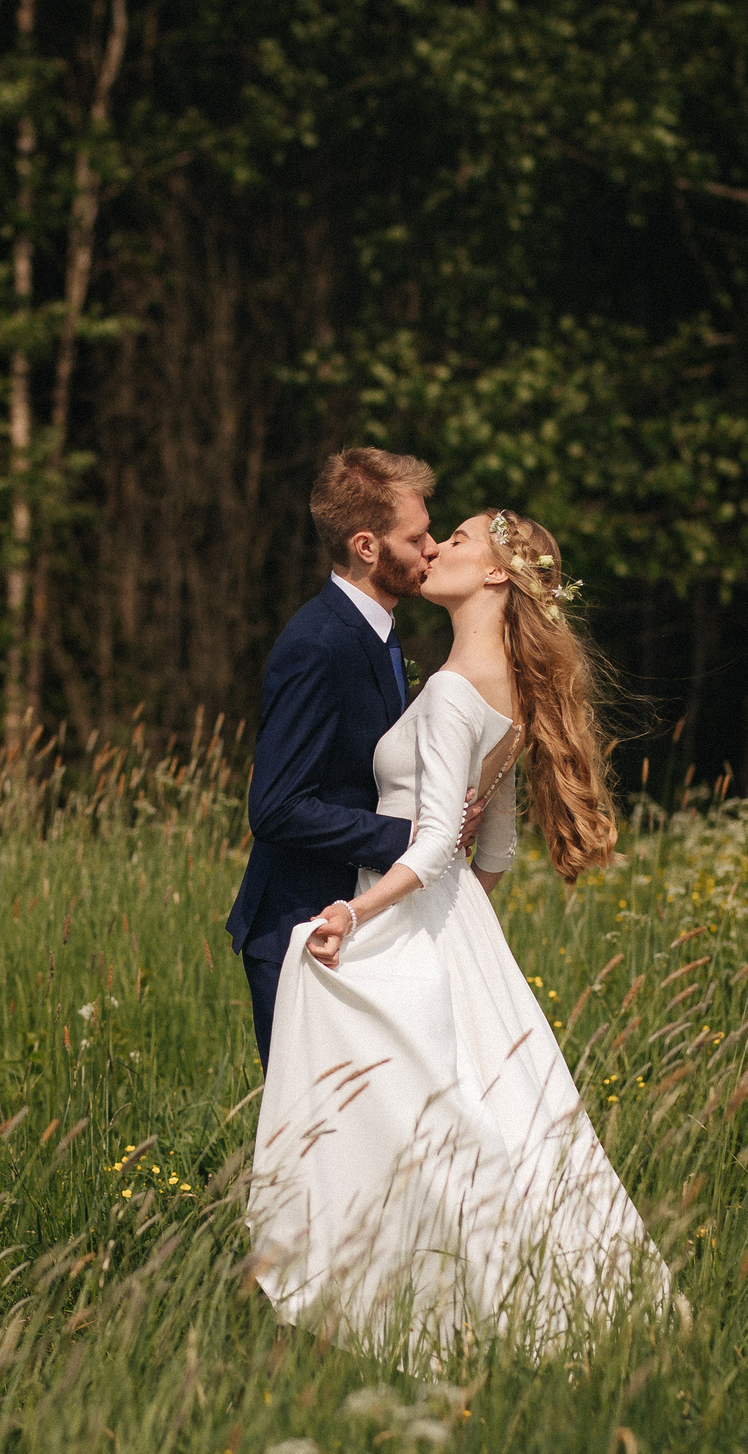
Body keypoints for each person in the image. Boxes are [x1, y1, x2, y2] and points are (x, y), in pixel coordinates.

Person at [244, 507, 683, 1363]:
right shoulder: (504, 688)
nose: (437, 545)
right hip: (453, 920)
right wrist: (455, 920)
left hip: (405, 907)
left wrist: (361, 912)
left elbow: (443, 835)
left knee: (410, 1119)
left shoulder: (450, 687)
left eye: (462, 540)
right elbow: (499, 846)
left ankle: (397, 1300)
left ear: (493, 576)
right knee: (490, 1113)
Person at [226, 448, 477, 1065]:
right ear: (367, 547)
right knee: (310, 1141)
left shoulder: (378, 631)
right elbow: (277, 808)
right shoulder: (317, 643)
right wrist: (407, 836)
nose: (432, 549)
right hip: (299, 926)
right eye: (416, 537)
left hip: (352, 920)